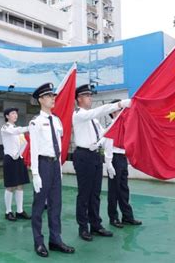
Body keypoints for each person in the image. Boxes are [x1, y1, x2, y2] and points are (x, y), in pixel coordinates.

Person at [72, 84, 132, 241]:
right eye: (87, 95)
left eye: (90, 95)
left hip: (95, 156)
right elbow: (97, 112)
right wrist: (118, 105)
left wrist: (117, 119)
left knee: (95, 194)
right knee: (84, 194)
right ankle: (83, 228)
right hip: (83, 156)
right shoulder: (78, 115)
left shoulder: (94, 121)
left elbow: (105, 135)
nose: (90, 98)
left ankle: (96, 225)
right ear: (79, 98)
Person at [29, 82, 75, 257]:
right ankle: (38, 241)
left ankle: (55, 239)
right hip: (42, 165)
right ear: (41, 99)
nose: (53, 98)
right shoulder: (36, 122)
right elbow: (34, 149)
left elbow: (60, 146)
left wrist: (60, 168)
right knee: (39, 206)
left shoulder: (56, 120)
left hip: (55, 165)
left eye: (53, 95)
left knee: (56, 204)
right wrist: (35, 173)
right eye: (49, 96)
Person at [105, 99, 142, 228]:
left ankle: (127, 216)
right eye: (119, 110)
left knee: (124, 189)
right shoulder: (113, 125)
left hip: (122, 157)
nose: (122, 111)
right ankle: (113, 218)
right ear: (113, 112)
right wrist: (108, 162)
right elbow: (108, 145)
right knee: (113, 190)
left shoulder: (124, 124)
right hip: (114, 158)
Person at [0, 107, 31, 221]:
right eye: (12, 113)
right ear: (7, 116)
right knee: (10, 186)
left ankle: (19, 210)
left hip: (19, 158)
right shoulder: (5, 127)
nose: (15, 115)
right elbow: (15, 132)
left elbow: (24, 142)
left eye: (16, 113)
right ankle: (8, 211)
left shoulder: (18, 129)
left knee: (20, 185)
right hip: (10, 158)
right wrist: (29, 127)